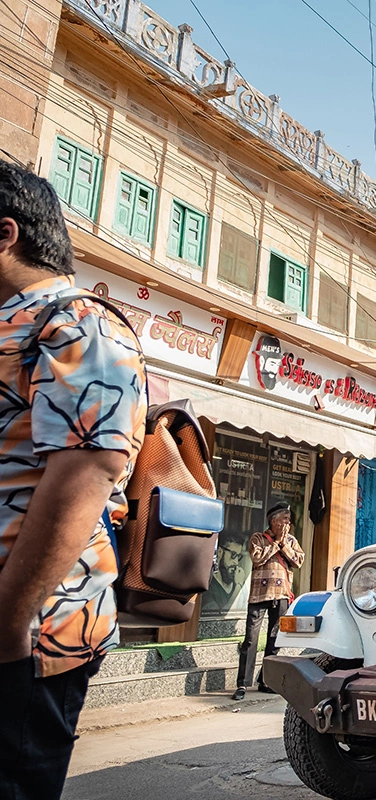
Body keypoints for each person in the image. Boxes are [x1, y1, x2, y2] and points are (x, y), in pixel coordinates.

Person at [0, 161, 147, 797]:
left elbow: (87, 473)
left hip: (30, 632)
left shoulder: (80, 323)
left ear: (5, 235)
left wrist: (9, 619)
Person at [234, 503, 304, 700]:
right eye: (285, 519)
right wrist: (275, 543)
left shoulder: (290, 540)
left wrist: (284, 544)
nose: (288, 523)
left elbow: (298, 561)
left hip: (281, 596)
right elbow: (257, 558)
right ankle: (243, 684)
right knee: (251, 639)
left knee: (274, 640)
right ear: (273, 521)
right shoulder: (258, 538)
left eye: (288, 520)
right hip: (259, 595)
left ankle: (266, 680)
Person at [202, 536, 249, 614]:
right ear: (220, 552)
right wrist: (238, 587)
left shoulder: (239, 583)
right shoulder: (208, 586)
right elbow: (218, 620)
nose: (236, 562)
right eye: (233, 555)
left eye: (238, 557)